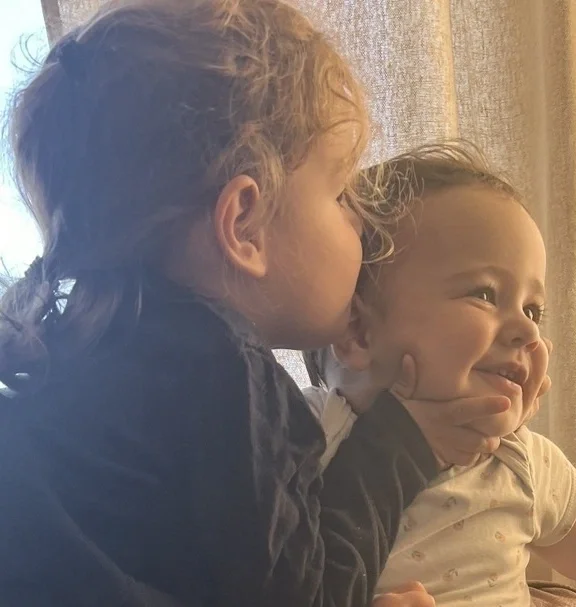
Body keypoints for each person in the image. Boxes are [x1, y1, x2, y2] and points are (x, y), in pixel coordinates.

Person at [0, 2, 510, 606]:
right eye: (340, 195)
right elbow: (307, 598)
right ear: (244, 223)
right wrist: (408, 440)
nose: (363, 226)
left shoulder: (92, 356)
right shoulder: (217, 372)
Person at [304, 143, 576, 606]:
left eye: (533, 309)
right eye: (485, 294)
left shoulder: (520, 458)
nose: (528, 329)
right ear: (360, 333)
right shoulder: (305, 439)